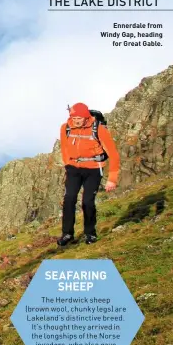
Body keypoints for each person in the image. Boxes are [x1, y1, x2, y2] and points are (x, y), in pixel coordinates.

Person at [58, 102, 120, 246]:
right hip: (73, 168)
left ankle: (90, 234)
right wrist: (68, 164)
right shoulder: (65, 128)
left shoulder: (98, 129)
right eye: (73, 117)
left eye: (78, 118)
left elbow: (113, 154)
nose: (76, 120)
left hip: (93, 169)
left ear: (86, 116)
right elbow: (64, 148)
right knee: (69, 199)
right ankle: (67, 234)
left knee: (87, 201)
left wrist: (112, 179)